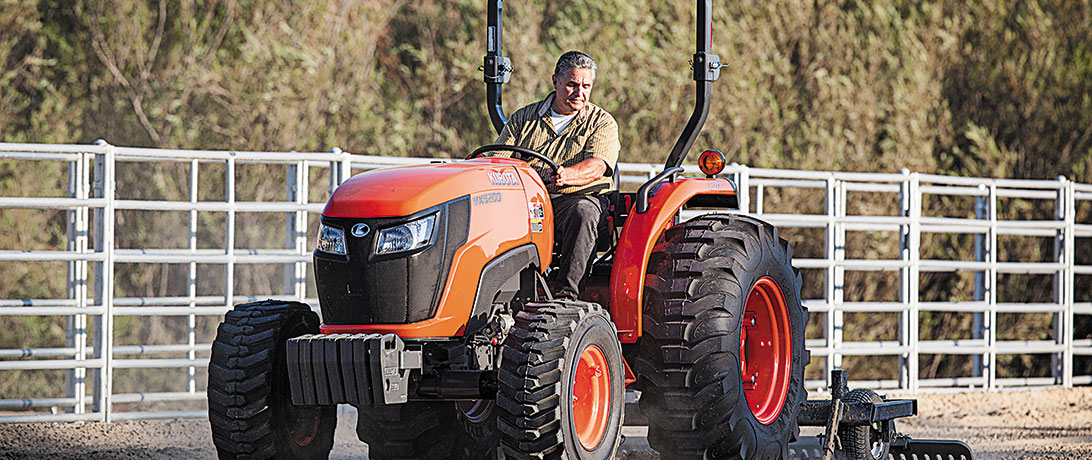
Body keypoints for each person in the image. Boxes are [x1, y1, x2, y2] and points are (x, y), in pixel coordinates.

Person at [495, 51, 620, 300]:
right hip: (527, 201)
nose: (579, 93)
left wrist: (567, 175)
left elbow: (598, 166)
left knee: (583, 211)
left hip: (574, 198)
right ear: (556, 81)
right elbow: (498, 159)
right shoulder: (523, 118)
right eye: (572, 85)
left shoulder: (601, 123)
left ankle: (567, 297)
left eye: (586, 86)